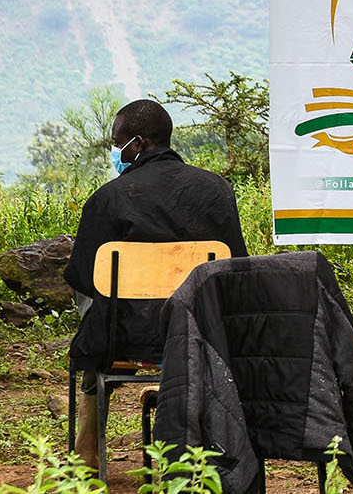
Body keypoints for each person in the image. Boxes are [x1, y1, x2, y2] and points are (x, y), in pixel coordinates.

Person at [65, 99, 250, 467]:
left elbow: (84, 278)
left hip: (125, 336)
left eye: (119, 144)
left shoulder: (108, 198)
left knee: (93, 306)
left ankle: (86, 454)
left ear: (140, 143)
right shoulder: (217, 191)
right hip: (203, 333)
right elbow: (236, 267)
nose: (117, 152)